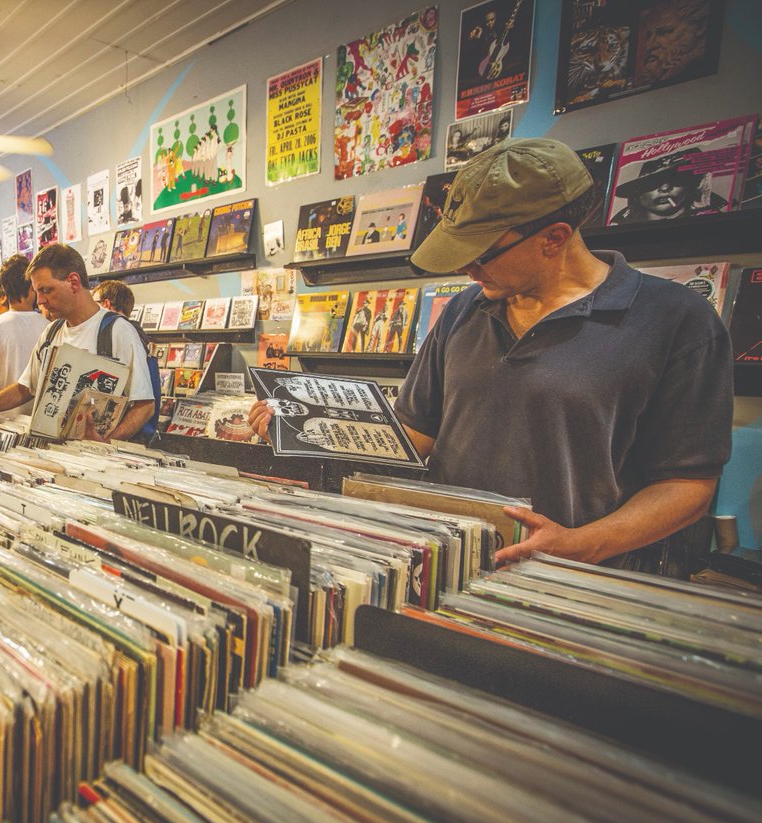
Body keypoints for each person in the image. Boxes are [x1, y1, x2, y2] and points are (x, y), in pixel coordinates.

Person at [250, 138, 732, 576]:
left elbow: (688, 485)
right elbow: (415, 436)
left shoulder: (677, 321)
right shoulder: (465, 308)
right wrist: (305, 427)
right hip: (442, 564)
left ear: (554, 237)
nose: (465, 267)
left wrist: (579, 545)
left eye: (481, 253)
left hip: (578, 581)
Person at [0, 244, 154, 441]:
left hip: (97, 462)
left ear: (73, 282)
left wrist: (107, 443)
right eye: (37, 291)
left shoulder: (118, 331)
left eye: (46, 290)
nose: (39, 300)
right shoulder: (52, 332)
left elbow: (145, 405)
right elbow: (25, 387)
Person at [0, 258, 47, 415]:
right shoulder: (51, 328)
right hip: (43, 421)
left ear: (4, 290)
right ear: (32, 287)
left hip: (4, 424)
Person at [609, 151, 726, 224]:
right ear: (636, 191)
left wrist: (702, 210)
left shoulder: (719, 211)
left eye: (677, 179)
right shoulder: (618, 225)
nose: (665, 188)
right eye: (652, 182)